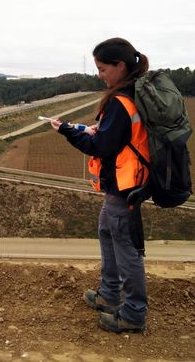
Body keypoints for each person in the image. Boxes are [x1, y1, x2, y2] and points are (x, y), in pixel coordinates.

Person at [50, 37, 149, 333]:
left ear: (120, 66)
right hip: (121, 185)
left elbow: (101, 146)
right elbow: (115, 137)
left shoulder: (121, 102)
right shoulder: (131, 95)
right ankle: (109, 293)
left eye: (103, 68)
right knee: (107, 232)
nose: (99, 75)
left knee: (126, 248)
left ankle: (133, 313)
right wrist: (95, 131)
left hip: (124, 186)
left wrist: (69, 132)